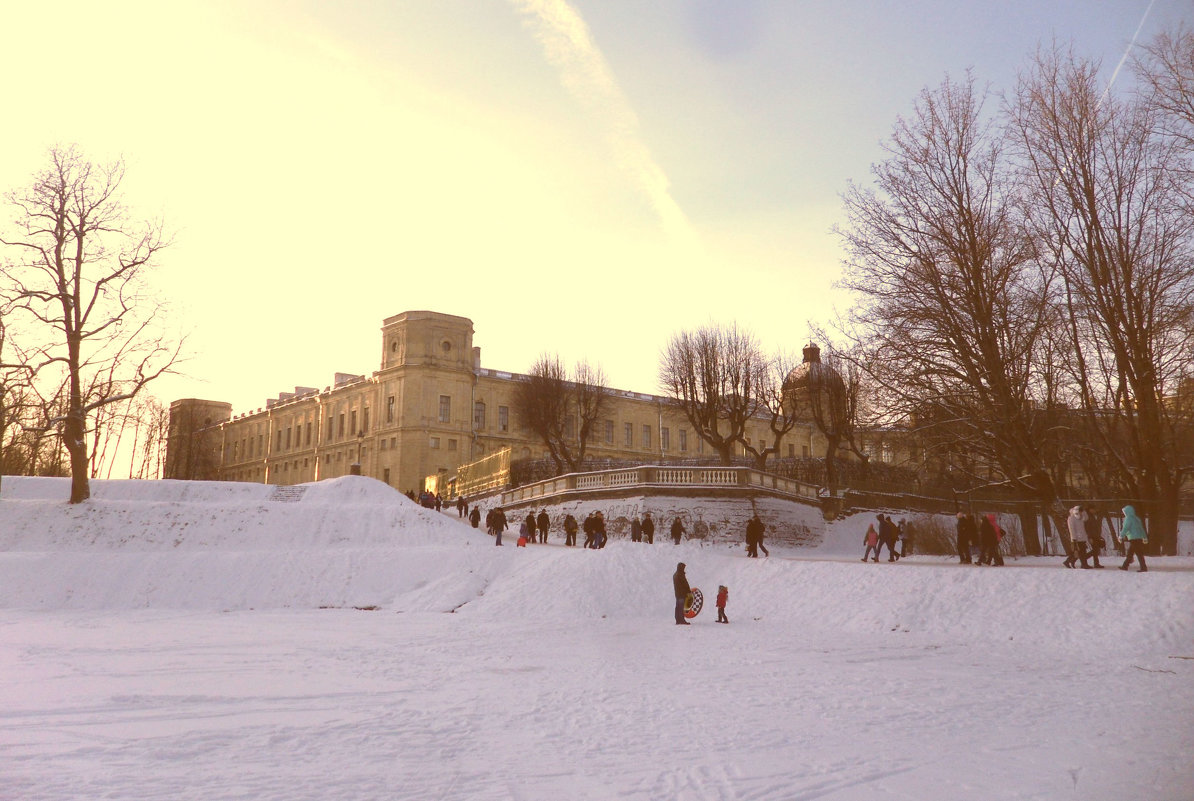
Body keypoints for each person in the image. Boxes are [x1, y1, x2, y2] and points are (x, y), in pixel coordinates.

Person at [1118, 505, 1148, 572]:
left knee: (1138, 553)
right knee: (1131, 553)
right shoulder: (1137, 519)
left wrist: (1121, 536)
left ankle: (1143, 567)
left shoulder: (1128, 518)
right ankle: (1125, 566)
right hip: (1139, 538)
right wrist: (1144, 537)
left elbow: (1125, 528)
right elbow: (1141, 529)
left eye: (1124, 512)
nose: (1124, 513)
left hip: (1133, 538)